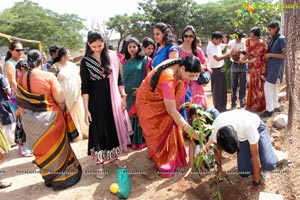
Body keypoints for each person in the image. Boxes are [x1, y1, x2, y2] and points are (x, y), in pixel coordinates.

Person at [16, 49, 82, 190]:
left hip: (30, 122)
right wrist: (64, 113)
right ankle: (63, 179)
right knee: (59, 148)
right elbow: (60, 100)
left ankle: (50, 178)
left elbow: (20, 103)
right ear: (42, 61)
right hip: (50, 119)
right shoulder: (48, 76)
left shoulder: (20, 78)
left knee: (42, 150)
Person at [136, 56, 202, 177]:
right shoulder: (168, 78)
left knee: (170, 126)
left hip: (164, 101)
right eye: (191, 76)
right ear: (182, 69)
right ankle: (163, 160)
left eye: (196, 76)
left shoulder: (178, 64)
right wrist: (189, 130)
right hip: (149, 104)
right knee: (158, 132)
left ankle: (173, 156)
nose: (193, 79)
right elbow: (171, 110)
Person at [80, 31, 132, 179]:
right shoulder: (86, 62)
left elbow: (119, 80)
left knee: (112, 128)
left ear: (104, 43)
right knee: (98, 131)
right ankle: (100, 164)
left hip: (112, 99)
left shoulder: (110, 57)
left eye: (100, 45)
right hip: (96, 101)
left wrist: (123, 97)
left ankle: (114, 157)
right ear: (89, 45)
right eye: (94, 46)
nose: (97, 48)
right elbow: (85, 87)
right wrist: (86, 110)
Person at [202, 109, 278, 190]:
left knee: (269, 165)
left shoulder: (248, 126)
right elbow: (217, 149)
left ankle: (268, 149)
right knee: (244, 173)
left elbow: (255, 156)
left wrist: (256, 183)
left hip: (258, 128)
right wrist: (219, 170)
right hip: (243, 138)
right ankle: (252, 148)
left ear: (236, 133)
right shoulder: (216, 128)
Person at [49, 47, 88, 140]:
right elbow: (51, 81)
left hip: (76, 93)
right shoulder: (55, 67)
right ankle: (72, 135)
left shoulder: (72, 65)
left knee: (80, 111)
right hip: (64, 96)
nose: (70, 55)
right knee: (69, 114)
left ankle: (84, 132)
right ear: (63, 55)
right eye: (68, 53)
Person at [121, 38, 152, 150]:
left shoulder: (145, 60)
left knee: (139, 117)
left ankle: (140, 141)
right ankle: (130, 141)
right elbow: (121, 79)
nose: (132, 49)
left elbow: (149, 78)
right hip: (127, 95)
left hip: (140, 93)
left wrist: (141, 90)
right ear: (126, 48)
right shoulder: (124, 62)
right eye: (130, 47)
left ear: (138, 47)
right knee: (128, 118)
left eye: (134, 46)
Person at [4, 40, 33, 157]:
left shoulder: (23, 61)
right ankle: (24, 148)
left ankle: (30, 146)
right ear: (11, 51)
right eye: (18, 50)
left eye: (22, 50)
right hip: (17, 98)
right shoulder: (9, 64)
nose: (20, 52)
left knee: (29, 121)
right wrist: (22, 95)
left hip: (26, 95)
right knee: (21, 122)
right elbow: (12, 82)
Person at [260, 22, 286, 118]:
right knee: (273, 87)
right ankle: (274, 107)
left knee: (267, 86)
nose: (269, 32)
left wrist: (270, 55)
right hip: (272, 66)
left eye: (270, 30)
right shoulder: (274, 38)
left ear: (276, 28)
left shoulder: (281, 39)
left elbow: (285, 55)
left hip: (277, 66)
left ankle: (269, 110)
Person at [185, 105, 220, 176]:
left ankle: (210, 161)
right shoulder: (192, 125)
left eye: (199, 117)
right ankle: (203, 164)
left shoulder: (212, 118)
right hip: (202, 145)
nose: (197, 120)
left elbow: (216, 137)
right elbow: (192, 144)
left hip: (212, 142)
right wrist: (191, 167)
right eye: (194, 117)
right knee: (198, 150)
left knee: (210, 151)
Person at [179, 25, 208, 108]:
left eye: (191, 36)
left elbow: (204, 64)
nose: (188, 38)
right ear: (182, 37)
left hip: (196, 84)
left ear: (194, 37)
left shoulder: (198, 50)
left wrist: (196, 68)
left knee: (197, 109)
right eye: (186, 36)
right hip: (182, 83)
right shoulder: (177, 50)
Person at [241, 27, 267, 113]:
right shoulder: (248, 42)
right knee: (252, 85)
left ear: (258, 36)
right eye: (250, 36)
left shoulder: (262, 45)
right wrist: (243, 59)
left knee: (259, 87)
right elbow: (248, 53)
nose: (251, 38)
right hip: (252, 67)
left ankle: (259, 105)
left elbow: (257, 59)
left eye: (253, 36)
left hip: (259, 68)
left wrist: (245, 61)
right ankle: (252, 104)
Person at [206, 31, 231, 112]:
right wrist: (229, 55)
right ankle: (218, 108)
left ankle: (223, 107)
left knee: (223, 89)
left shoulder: (217, 45)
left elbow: (226, 45)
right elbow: (217, 58)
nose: (221, 41)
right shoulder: (210, 47)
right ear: (214, 39)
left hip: (221, 68)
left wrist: (231, 46)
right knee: (217, 90)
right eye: (220, 40)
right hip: (215, 70)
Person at [228, 29, 247, 109]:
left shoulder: (245, 42)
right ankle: (233, 103)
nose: (238, 40)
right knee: (234, 84)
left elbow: (248, 53)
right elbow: (228, 55)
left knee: (243, 84)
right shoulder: (231, 43)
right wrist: (233, 52)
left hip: (243, 64)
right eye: (236, 38)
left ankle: (242, 102)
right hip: (234, 64)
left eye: (239, 38)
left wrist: (242, 57)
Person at [0, 73, 15, 146]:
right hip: (3, 101)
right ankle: (11, 140)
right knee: (9, 119)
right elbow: (7, 89)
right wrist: (12, 97)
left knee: (3, 122)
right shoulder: (1, 77)